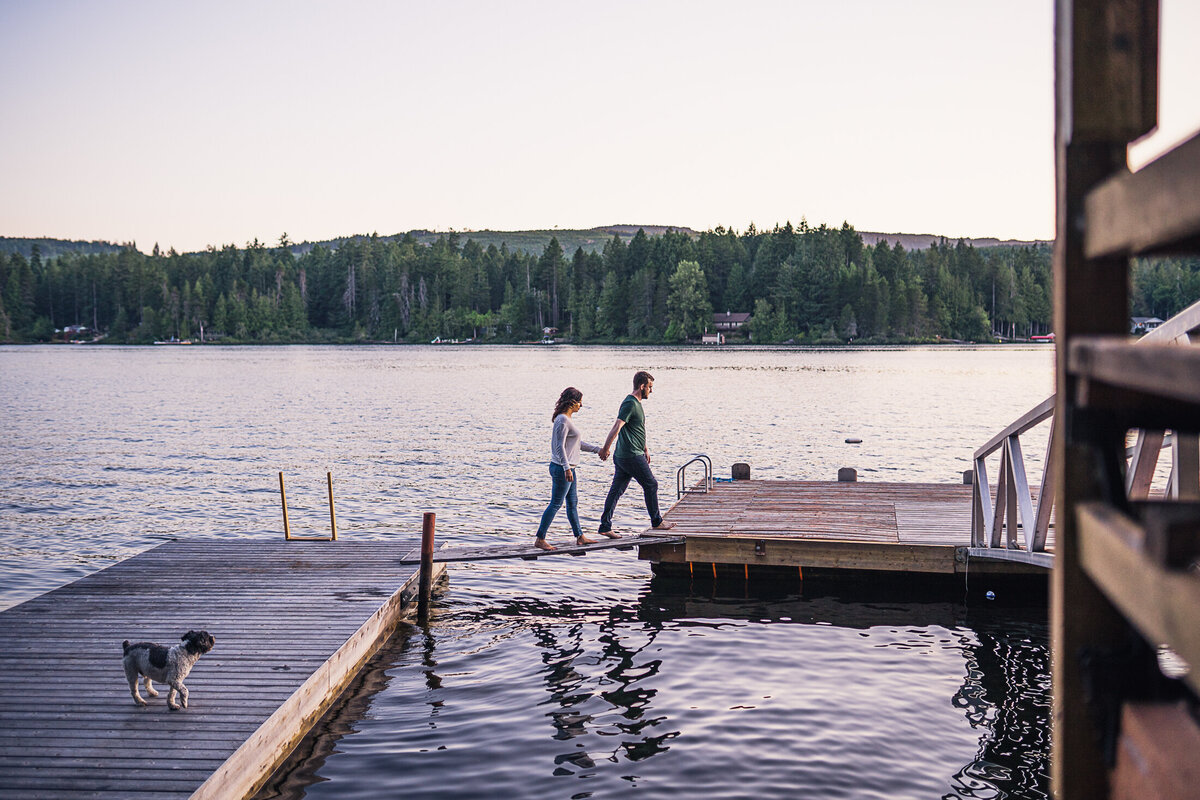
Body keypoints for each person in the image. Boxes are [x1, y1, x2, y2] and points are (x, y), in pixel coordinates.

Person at [597, 371, 676, 536]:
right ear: (642, 386)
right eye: (650, 387)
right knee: (651, 484)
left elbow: (636, 429)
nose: (651, 391)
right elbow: (617, 426)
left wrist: (645, 448)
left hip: (629, 454)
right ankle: (657, 522)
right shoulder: (630, 404)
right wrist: (605, 448)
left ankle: (605, 527)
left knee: (616, 490)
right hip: (630, 455)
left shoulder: (636, 404)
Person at [534, 387, 606, 551]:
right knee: (555, 504)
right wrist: (566, 468)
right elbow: (559, 447)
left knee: (572, 504)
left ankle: (580, 537)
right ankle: (540, 538)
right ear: (572, 402)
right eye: (580, 401)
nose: (581, 405)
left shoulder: (567, 420)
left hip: (568, 469)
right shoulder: (562, 420)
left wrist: (597, 450)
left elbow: (576, 445)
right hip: (561, 469)